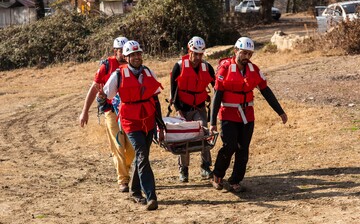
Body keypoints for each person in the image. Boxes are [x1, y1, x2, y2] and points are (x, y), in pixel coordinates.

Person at [210, 37, 288, 192]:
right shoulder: (225, 68)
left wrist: (280, 112)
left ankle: (235, 180)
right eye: (244, 53)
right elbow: (217, 96)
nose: (246, 57)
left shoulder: (254, 70)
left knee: (243, 149)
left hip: (247, 116)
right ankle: (217, 175)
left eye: (250, 54)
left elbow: (266, 91)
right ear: (235, 51)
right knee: (229, 146)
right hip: (228, 115)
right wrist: (212, 122)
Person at [101, 40, 165, 211]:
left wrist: (161, 124)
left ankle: (135, 191)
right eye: (132, 55)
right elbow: (105, 96)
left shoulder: (149, 72)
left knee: (141, 157)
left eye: (139, 54)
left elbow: (156, 98)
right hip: (130, 122)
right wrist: (107, 109)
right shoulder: (118, 75)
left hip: (149, 120)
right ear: (126, 57)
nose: (137, 57)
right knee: (142, 154)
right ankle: (151, 196)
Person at [79, 36, 135, 193]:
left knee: (132, 148)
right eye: (121, 52)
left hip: (129, 112)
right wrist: (85, 112)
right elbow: (94, 87)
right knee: (118, 145)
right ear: (115, 51)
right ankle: (123, 180)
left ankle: (125, 167)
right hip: (111, 112)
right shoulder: (106, 66)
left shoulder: (133, 66)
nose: (125, 55)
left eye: (126, 52)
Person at [170, 36, 215, 183]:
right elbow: (173, 91)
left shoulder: (207, 67)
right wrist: (178, 109)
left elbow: (217, 87)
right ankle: (184, 170)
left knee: (204, 134)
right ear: (189, 51)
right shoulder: (179, 66)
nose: (197, 57)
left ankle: (205, 167)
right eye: (195, 54)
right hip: (183, 108)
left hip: (200, 107)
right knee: (184, 139)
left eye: (200, 54)